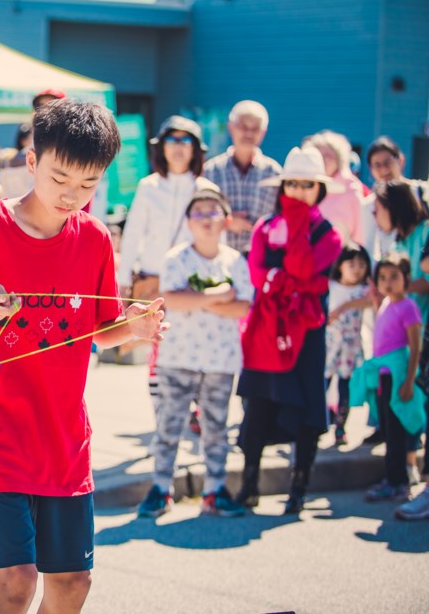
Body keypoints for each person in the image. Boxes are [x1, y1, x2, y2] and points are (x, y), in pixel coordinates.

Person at [0, 100, 166, 614]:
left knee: (74, 582)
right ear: (32, 163)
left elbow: (97, 333)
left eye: (89, 183)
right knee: (16, 582)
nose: (73, 195)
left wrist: (135, 328)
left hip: (62, 437)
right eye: (61, 178)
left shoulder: (95, 238)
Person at [235, 147, 342, 515]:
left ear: (319, 189)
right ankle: (249, 484)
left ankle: (299, 488)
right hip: (266, 329)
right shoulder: (266, 226)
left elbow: (302, 271)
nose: (298, 190)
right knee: (258, 405)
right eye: (292, 184)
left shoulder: (328, 234)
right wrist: (279, 280)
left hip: (307, 331)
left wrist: (281, 276)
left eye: (307, 185)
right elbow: (256, 273)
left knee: (307, 406)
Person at [137, 188, 252, 519]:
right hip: (178, 357)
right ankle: (161, 487)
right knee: (169, 425)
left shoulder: (235, 260)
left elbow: (242, 306)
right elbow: (172, 299)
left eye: (212, 211)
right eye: (198, 211)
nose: (205, 218)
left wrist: (197, 297)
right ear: (188, 221)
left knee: (216, 427)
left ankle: (214, 489)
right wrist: (218, 296)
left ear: (226, 221)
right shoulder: (176, 257)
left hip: (221, 360)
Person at [117, 116, 218, 404]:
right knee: (155, 349)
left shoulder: (206, 189)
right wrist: (124, 280)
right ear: (160, 147)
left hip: (193, 284)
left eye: (185, 140)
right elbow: (134, 233)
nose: (177, 147)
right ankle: (162, 413)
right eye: (171, 140)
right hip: (153, 279)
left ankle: (192, 408)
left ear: (196, 149)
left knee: (193, 347)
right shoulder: (149, 186)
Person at [350, 253, 424, 504]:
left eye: (394, 277)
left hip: (398, 377)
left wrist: (408, 382)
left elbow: (415, 347)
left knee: (397, 433)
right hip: (383, 376)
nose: (388, 282)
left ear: (406, 278)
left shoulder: (409, 307)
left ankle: (399, 482)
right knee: (387, 430)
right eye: (382, 277)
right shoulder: (384, 305)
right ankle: (392, 479)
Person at [373, 180, 429, 479]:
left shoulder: (426, 233)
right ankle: (406, 469)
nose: (374, 216)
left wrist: (398, 288)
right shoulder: (395, 243)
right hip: (396, 343)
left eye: (377, 209)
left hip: (420, 333)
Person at [203, 100, 283, 254]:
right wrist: (227, 222)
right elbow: (198, 216)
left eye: (255, 128)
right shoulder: (211, 171)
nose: (248, 133)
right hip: (217, 259)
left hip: (260, 262)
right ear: (230, 127)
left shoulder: (274, 173)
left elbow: (280, 220)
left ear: (263, 132)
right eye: (243, 127)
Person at [325, 244, 372, 447]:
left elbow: (372, 299)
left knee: (346, 388)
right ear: (340, 265)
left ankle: (340, 427)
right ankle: (322, 420)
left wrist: (344, 307)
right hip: (329, 347)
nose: (356, 268)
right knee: (323, 385)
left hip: (350, 349)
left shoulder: (364, 291)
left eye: (362, 264)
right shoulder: (330, 286)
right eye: (351, 263)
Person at [362, 136, 429, 260]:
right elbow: (368, 246)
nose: (383, 169)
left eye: (388, 162)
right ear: (370, 169)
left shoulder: (422, 192)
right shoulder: (369, 205)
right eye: (377, 165)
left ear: (401, 160)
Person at [304, 130, 366, 245]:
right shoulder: (305, 187)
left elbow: (361, 233)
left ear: (339, 159)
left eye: (329, 155)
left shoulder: (351, 188)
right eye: (319, 155)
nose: (324, 160)